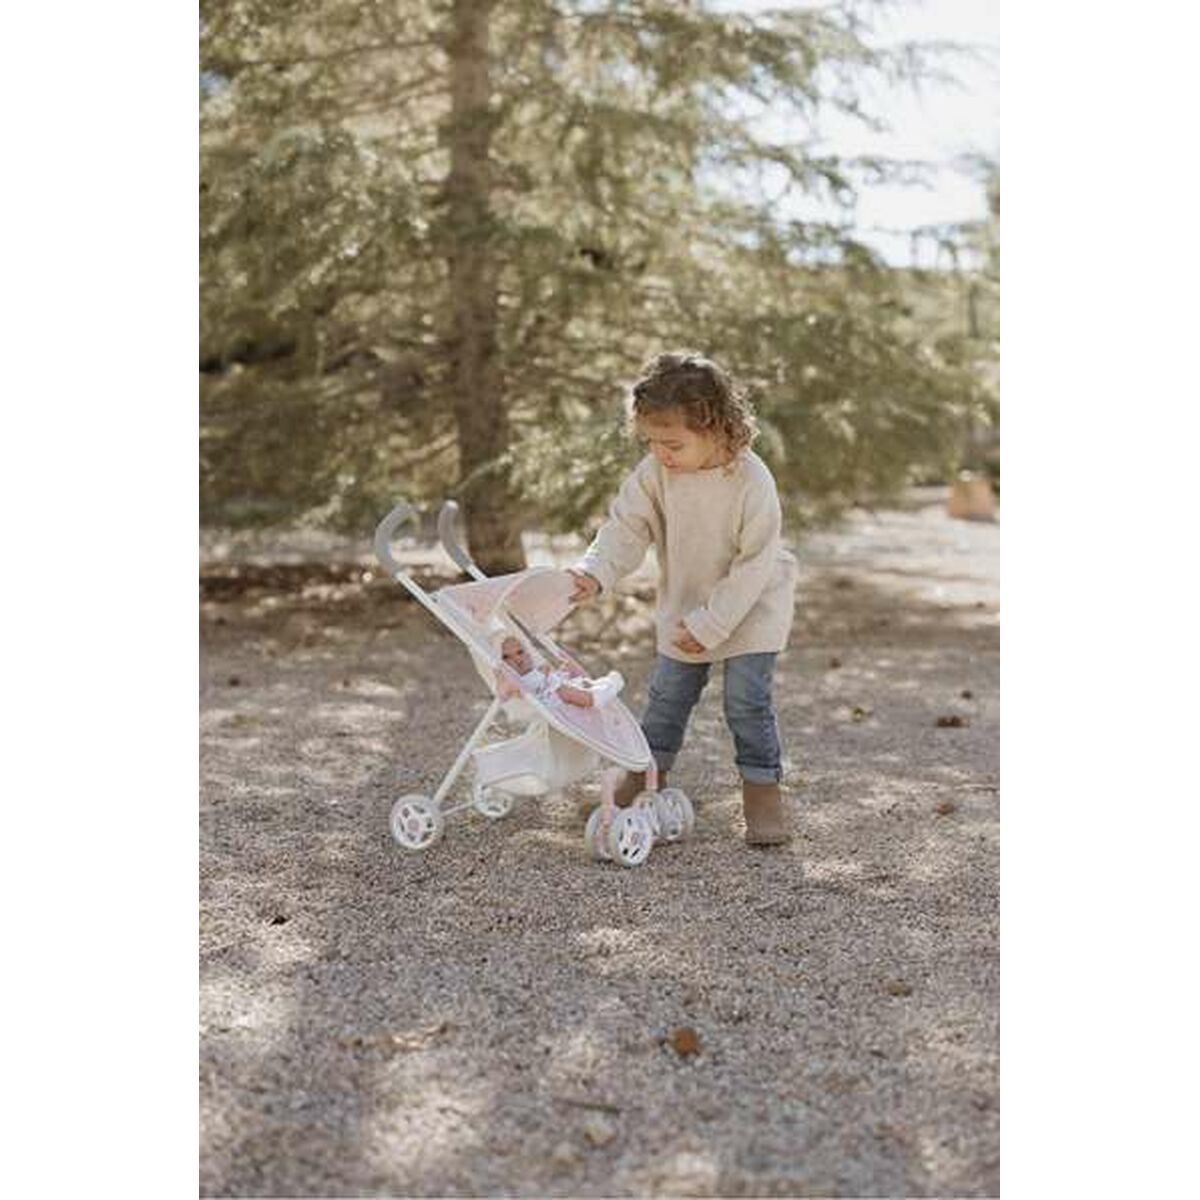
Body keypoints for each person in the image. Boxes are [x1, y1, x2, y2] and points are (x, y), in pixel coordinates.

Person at [567, 351, 799, 845]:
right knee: (667, 697)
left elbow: (755, 563)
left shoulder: (751, 479)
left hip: (752, 606)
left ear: (715, 426)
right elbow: (626, 527)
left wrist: (712, 624)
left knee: (746, 701)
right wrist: (595, 571)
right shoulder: (656, 472)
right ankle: (644, 776)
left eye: (672, 443)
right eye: (651, 442)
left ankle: (762, 792)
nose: (661, 453)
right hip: (687, 600)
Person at [495, 634, 622, 709]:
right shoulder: (514, 680)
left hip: (556, 688)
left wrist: (558, 672)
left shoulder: (533, 669)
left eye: (520, 652)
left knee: (574, 683)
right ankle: (595, 698)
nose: (516, 659)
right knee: (565, 691)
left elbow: (550, 680)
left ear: (528, 653)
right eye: (506, 657)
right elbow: (504, 692)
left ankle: (597, 686)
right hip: (548, 701)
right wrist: (501, 677)